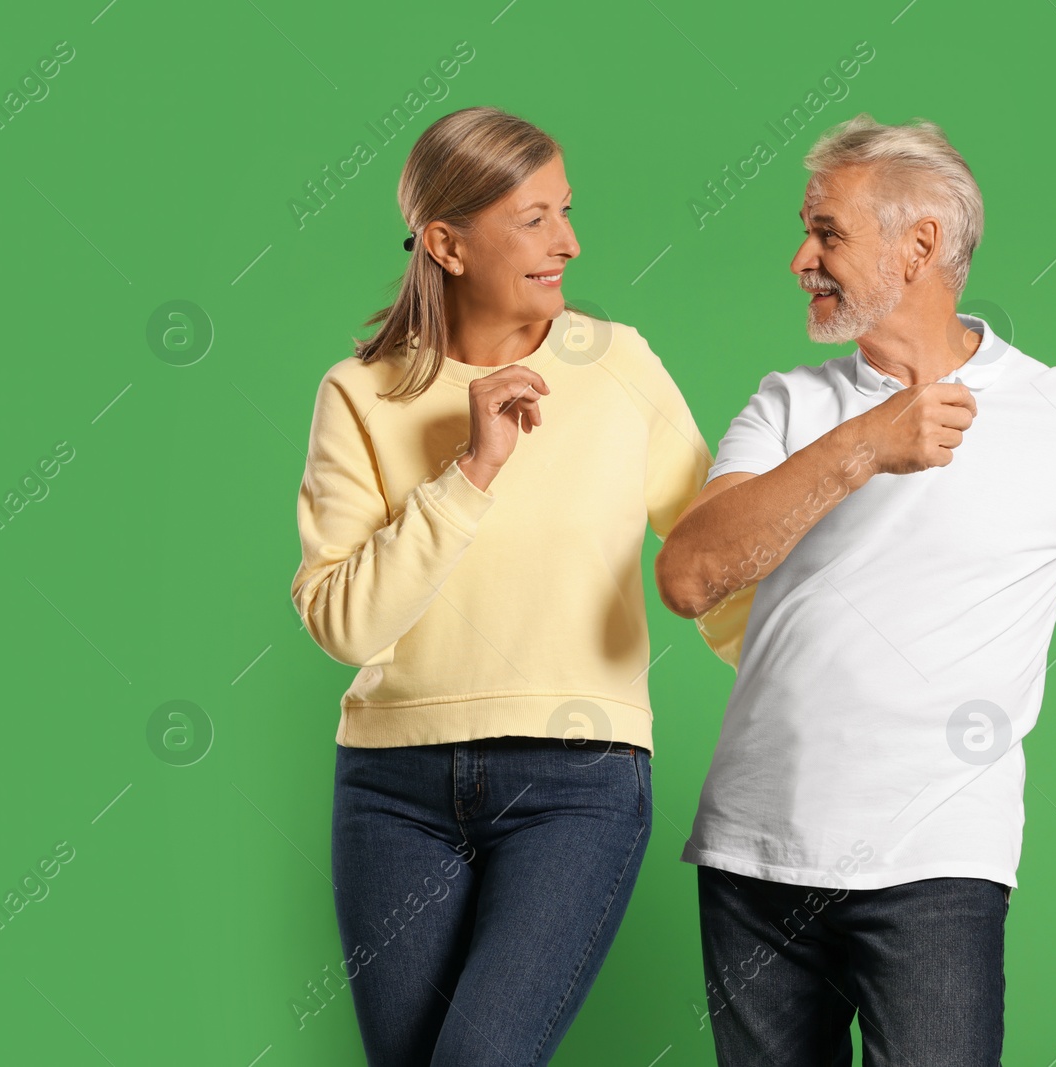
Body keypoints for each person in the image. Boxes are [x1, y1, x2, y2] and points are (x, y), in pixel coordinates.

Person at [656, 114, 1056, 1066]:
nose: (799, 258)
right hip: (753, 863)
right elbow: (689, 576)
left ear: (920, 246)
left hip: (937, 870)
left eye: (826, 232)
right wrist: (864, 445)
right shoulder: (790, 406)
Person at [290, 105, 746, 1067]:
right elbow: (345, 622)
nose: (569, 242)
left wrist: (840, 687)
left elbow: (716, 570)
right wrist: (471, 470)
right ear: (448, 243)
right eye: (534, 218)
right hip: (391, 788)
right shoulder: (360, 393)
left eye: (566, 211)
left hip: (577, 782)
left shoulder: (616, 364)